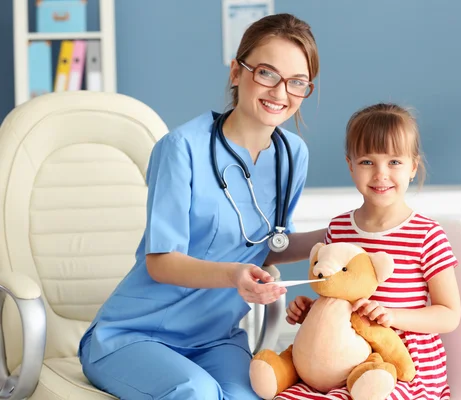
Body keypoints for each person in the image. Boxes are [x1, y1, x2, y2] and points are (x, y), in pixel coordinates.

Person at [78, 13, 326, 400]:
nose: (280, 92)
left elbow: (272, 244)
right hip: (135, 334)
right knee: (196, 392)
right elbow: (160, 262)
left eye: (297, 82)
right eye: (266, 73)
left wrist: (348, 232)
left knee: (253, 394)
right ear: (236, 73)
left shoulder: (293, 155)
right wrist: (233, 276)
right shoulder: (182, 149)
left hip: (216, 338)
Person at [284, 103, 461, 400]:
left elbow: (449, 315)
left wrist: (392, 316)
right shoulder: (339, 228)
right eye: (367, 162)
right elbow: (337, 295)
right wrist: (311, 310)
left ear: (413, 166)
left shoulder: (426, 235)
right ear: (350, 165)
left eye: (394, 162)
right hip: (345, 359)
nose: (381, 174)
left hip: (405, 366)